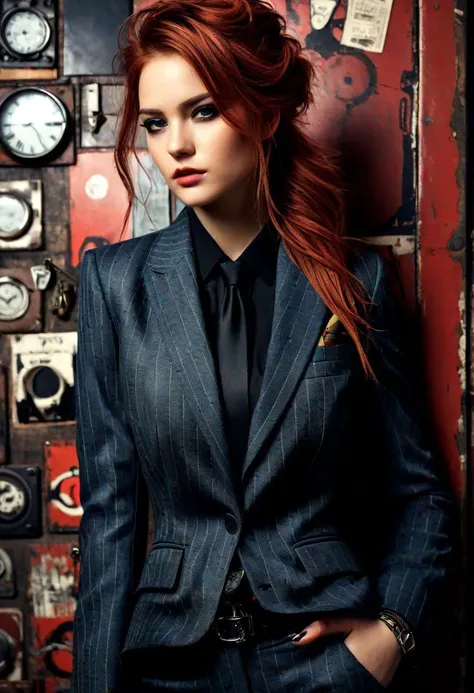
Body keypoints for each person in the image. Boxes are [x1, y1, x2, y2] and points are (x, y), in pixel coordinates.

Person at [71, 1, 455, 691]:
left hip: (322, 664)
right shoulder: (113, 285)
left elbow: (421, 492)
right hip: (169, 667)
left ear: (266, 115)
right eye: (156, 124)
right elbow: (110, 519)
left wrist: (393, 633)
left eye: (205, 111)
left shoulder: (356, 282)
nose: (176, 147)